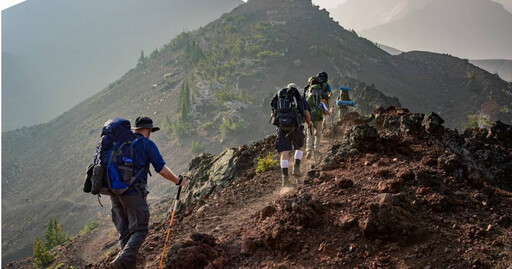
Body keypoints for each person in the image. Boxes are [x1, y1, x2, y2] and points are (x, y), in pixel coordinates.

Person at [110, 116, 187, 269]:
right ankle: (122, 260)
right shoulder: (146, 144)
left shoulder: (120, 143)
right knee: (140, 230)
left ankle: (126, 264)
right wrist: (178, 181)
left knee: (125, 233)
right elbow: (162, 170)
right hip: (133, 193)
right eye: (150, 130)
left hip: (114, 193)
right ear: (147, 130)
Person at [271, 83, 312, 187]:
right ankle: (296, 167)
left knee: (284, 152)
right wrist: (309, 123)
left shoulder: (278, 97)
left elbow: (273, 112)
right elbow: (306, 113)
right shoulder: (299, 98)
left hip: (281, 127)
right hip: (295, 127)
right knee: (299, 147)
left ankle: (285, 179)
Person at [305, 77, 334, 159]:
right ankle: (316, 150)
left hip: (309, 118)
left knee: (309, 135)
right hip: (318, 118)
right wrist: (331, 112)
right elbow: (327, 112)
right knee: (318, 134)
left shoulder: (308, 94)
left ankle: (309, 150)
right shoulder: (321, 102)